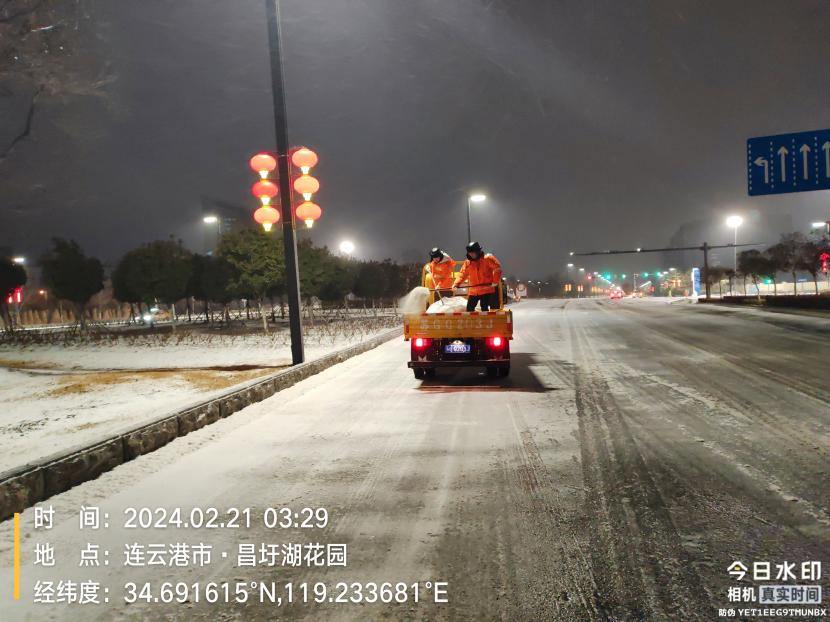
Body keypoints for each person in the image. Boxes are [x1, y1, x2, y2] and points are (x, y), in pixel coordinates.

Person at [453, 241, 502, 311]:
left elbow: (497, 269)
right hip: (474, 291)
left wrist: (495, 281)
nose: (471, 254)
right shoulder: (468, 263)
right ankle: (473, 318)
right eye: (470, 253)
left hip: (486, 289)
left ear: (478, 251)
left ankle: (486, 318)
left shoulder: (487, 259)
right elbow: (462, 274)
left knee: (484, 308)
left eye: (473, 252)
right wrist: (456, 284)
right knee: (469, 308)